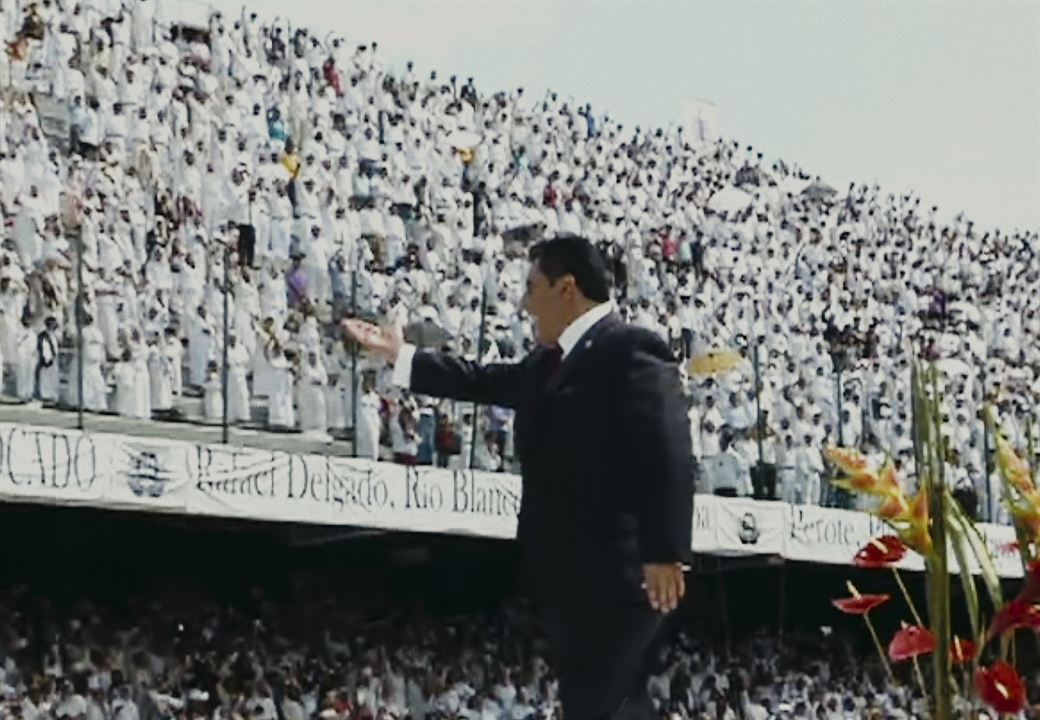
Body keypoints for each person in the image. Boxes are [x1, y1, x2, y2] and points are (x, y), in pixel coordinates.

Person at [345, 235, 694, 720]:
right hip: (571, 579)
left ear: (565, 288)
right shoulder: (548, 364)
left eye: (533, 288)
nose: (526, 303)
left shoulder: (630, 348)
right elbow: (481, 380)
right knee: (604, 703)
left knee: (598, 702)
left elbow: (668, 449)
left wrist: (665, 551)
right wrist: (402, 357)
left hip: (621, 577)